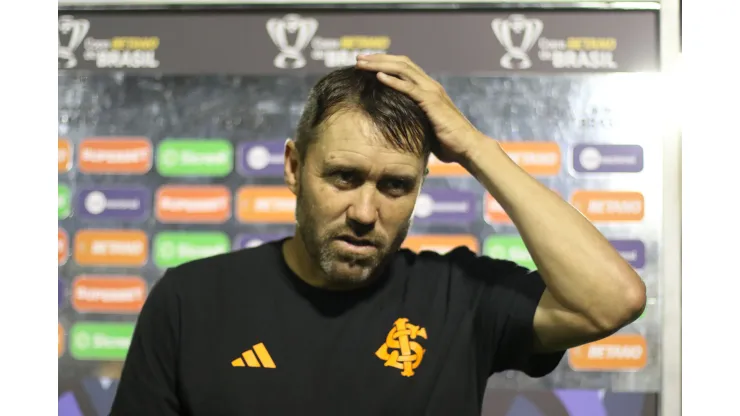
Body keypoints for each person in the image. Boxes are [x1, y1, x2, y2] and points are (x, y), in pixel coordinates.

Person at [110, 55, 646, 416]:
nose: (366, 212)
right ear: (295, 167)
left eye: (395, 185)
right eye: (344, 177)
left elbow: (611, 300)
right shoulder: (192, 300)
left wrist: (476, 149)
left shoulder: (459, 296)